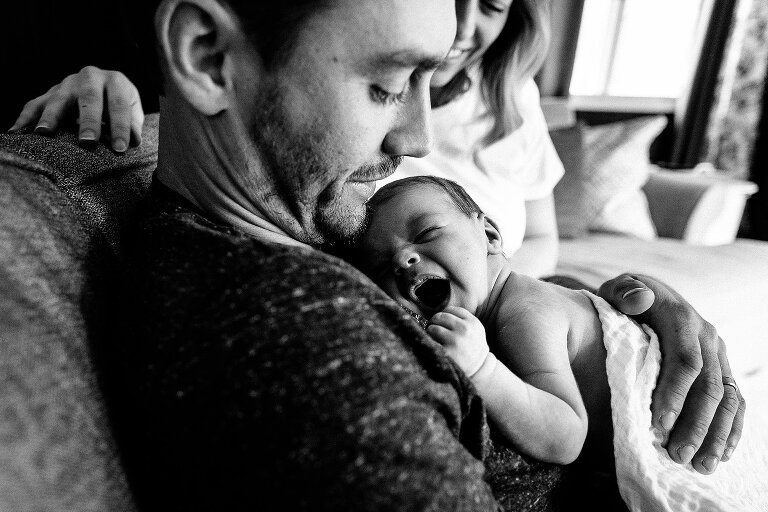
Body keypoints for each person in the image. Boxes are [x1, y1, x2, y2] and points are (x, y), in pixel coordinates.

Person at [6, 0, 744, 506]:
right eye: (387, 85)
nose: (418, 141)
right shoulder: (308, 343)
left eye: (430, 77)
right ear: (205, 55)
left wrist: (615, 315)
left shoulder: (311, 229)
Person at [350, 175, 634, 467]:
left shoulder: (525, 314)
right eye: (382, 266)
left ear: (490, 236)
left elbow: (565, 439)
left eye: (426, 234)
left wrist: (482, 368)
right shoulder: (497, 309)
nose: (401, 260)